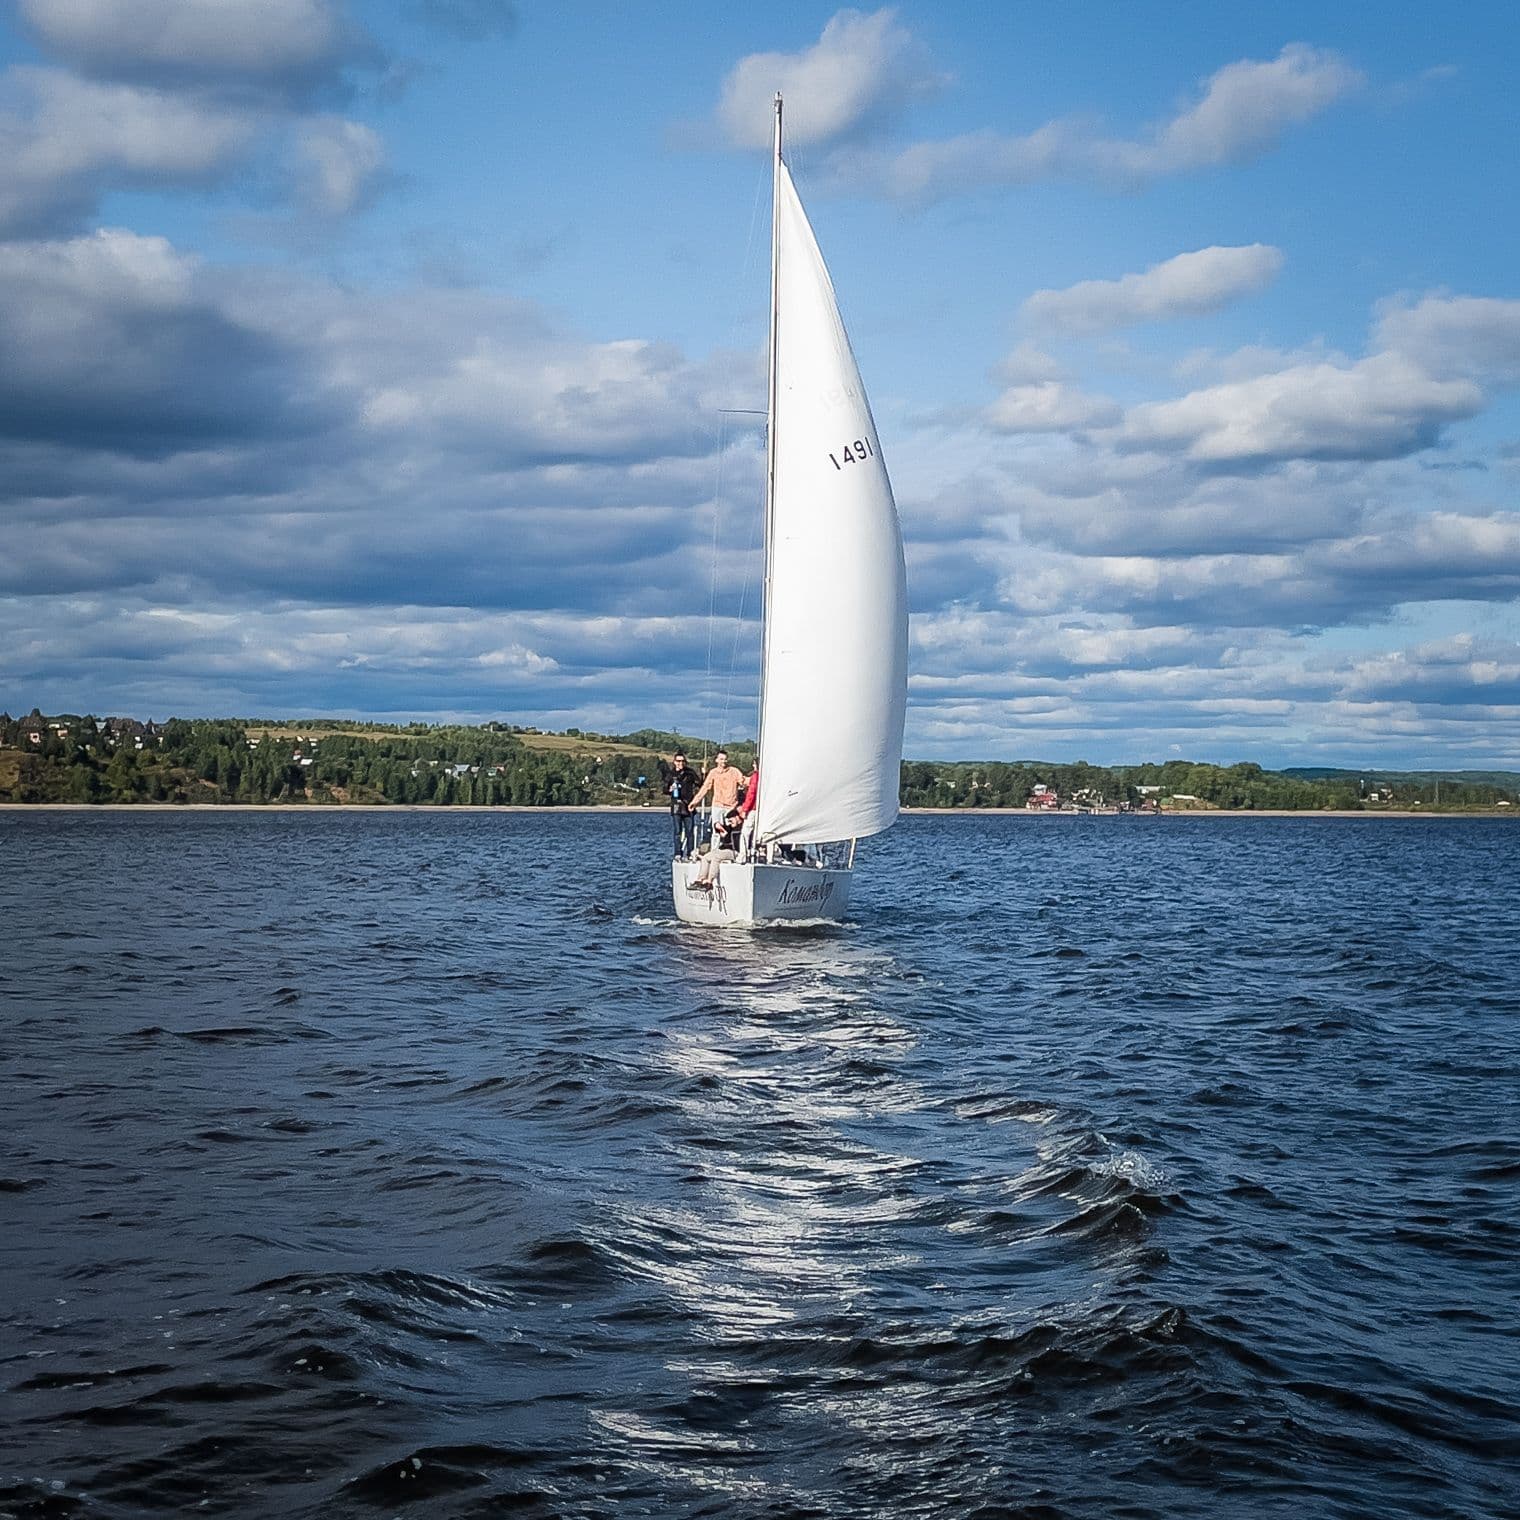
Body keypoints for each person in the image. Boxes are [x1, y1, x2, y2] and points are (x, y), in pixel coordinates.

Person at [691, 749, 747, 837]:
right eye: (721, 759)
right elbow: (705, 788)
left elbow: (744, 781)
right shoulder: (713, 773)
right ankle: (715, 848)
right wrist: (694, 802)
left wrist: (755, 778)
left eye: (725, 759)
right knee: (716, 831)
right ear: (716, 760)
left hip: (731, 806)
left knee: (732, 828)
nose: (723, 761)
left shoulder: (734, 771)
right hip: (718, 805)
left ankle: (731, 846)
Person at [690, 807, 745, 888]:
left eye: (731, 820)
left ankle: (709, 881)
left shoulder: (743, 828)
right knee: (705, 857)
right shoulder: (730, 828)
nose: (730, 823)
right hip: (723, 850)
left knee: (716, 856)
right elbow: (718, 826)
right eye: (729, 821)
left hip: (734, 851)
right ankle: (700, 880)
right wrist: (718, 826)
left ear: (737, 817)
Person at [665, 751, 699, 859]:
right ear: (674, 762)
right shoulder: (671, 774)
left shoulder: (690, 773)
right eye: (678, 761)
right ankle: (678, 853)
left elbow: (700, 783)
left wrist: (703, 774)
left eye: (683, 761)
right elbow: (664, 788)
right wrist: (670, 789)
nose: (681, 763)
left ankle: (690, 853)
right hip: (676, 806)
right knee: (677, 831)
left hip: (688, 805)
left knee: (690, 831)